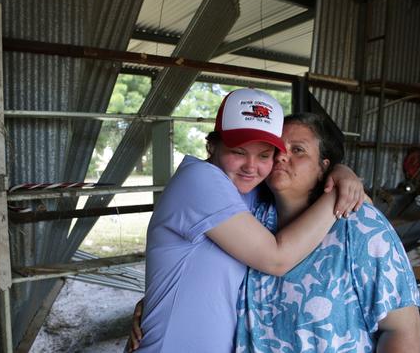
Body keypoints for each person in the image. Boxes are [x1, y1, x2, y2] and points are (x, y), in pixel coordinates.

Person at [133, 88, 364, 352]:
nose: (251, 166)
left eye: (265, 155)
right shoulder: (199, 180)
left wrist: (340, 170)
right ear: (212, 145)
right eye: (238, 152)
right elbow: (276, 259)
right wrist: (338, 192)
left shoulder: (251, 193)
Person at [235, 112, 420, 352]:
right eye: (276, 148)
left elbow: (401, 328)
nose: (282, 156)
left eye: (298, 150)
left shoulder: (359, 225)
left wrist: (343, 171)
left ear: (324, 167)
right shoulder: (249, 217)